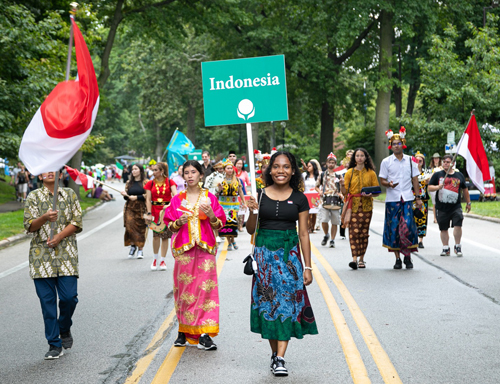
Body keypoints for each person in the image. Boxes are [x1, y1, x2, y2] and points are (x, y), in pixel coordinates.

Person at [246, 151, 318, 377]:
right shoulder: (260, 195)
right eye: (276, 166)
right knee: (268, 307)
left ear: (293, 171)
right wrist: (252, 212)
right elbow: (250, 229)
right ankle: (274, 353)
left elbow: (304, 233)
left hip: (289, 259)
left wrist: (307, 266)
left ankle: (280, 357)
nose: (281, 171)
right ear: (270, 170)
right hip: (264, 259)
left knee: (286, 305)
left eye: (286, 167)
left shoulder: (300, 198)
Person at [164, 160, 226, 350]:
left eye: (193, 172)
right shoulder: (177, 199)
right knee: (185, 292)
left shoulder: (209, 198)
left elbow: (220, 224)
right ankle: (183, 330)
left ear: (201, 174)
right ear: (183, 176)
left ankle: (205, 333)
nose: (190, 175)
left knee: (206, 291)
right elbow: (169, 224)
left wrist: (212, 216)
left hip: (205, 249)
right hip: (184, 250)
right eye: (186, 172)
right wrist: (178, 222)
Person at [23, 169, 82, 359]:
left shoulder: (70, 194)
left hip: (66, 255)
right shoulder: (33, 196)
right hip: (41, 257)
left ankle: (64, 328)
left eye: (53, 170)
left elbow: (77, 222)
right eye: (45, 171)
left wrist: (58, 237)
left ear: (60, 175)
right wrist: (44, 218)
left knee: (69, 297)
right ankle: (54, 344)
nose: (49, 173)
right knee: (47, 304)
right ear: (40, 176)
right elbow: (29, 226)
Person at [379, 127, 422, 269]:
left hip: (408, 198)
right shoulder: (386, 162)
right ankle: (398, 258)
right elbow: (382, 180)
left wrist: (418, 198)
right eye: (394, 143)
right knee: (394, 229)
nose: (396, 145)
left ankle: (408, 256)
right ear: (391, 146)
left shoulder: (411, 160)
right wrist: (389, 184)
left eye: (399, 143)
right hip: (392, 200)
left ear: (403, 144)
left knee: (408, 226)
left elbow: (415, 180)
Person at [339, 148, 380, 269]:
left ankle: (362, 258)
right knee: (353, 232)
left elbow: (377, 191)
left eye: (362, 155)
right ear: (354, 158)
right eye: (357, 156)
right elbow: (345, 192)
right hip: (353, 206)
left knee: (364, 233)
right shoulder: (349, 173)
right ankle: (354, 259)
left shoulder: (371, 173)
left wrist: (370, 194)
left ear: (366, 158)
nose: (360, 158)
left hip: (367, 206)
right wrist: (342, 184)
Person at [428, 155, 471, 257]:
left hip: (455, 206)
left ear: (452, 163)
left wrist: (468, 203)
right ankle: (445, 248)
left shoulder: (459, 175)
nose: (445, 163)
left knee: (458, 224)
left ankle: (457, 246)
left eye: (447, 162)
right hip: (442, 207)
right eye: (444, 162)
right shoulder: (437, 175)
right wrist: (438, 187)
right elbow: (429, 187)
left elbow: (465, 190)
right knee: (443, 228)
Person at [145, 162, 177, 271]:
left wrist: (169, 205)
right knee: (155, 236)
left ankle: (163, 260)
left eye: (155, 170)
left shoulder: (170, 182)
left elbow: (175, 196)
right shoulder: (150, 183)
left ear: (162, 171)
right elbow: (148, 200)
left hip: (166, 212)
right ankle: (155, 258)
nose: (153, 172)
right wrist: (149, 213)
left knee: (165, 236)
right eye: (153, 170)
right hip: (154, 212)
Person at [217, 160, 246, 250]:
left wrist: (244, 202)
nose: (230, 170)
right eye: (228, 168)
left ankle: (232, 240)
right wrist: (219, 189)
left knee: (233, 223)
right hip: (223, 204)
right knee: (226, 224)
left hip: (233, 204)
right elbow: (216, 193)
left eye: (231, 168)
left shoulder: (237, 180)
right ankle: (230, 242)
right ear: (225, 170)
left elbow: (240, 191)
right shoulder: (221, 180)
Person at [121, 164, 148, 259]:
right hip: (130, 208)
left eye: (136, 169)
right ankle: (132, 246)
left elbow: (148, 196)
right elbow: (126, 197)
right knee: (130, 226)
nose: (133, 171)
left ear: (140, 170)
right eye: (132, 169)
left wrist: (137, 197)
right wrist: (125, 194)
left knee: (141, 229)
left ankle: (140, 249)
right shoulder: (129, 182)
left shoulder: (146, 182)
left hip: (142, 208)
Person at [315, 153, 342, 248]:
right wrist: (320, 192)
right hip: (325, 200)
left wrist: (341, 193)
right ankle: (326, 234)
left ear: (335, 163)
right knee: (324, 220)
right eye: (329, 162)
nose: (331, 164)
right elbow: (316, 186)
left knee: (335, 221)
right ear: (326, 163)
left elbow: (343, 188)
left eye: (333, 162)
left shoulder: (339, 175)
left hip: (335, 199)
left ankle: (332, 240)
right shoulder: (322, 174)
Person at [413, 152, 431, 248]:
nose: (418, 162)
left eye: (420, 160)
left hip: (423, 199)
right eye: (417, 160)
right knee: (413, 218)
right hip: (412, 199)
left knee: (422, 219)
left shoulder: (426, 173)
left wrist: (429, 181)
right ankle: (413, 239)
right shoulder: (411, 172)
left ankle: (420, 240)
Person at [301, 159, 321, 232]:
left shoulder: (318, 175)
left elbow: (320, 185)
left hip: (315, 196)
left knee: (314, 213)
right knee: (308, 213)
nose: (308, 167)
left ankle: (312, 227)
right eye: (307, 166)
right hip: (306, 195)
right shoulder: (304, 175)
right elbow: (302, 185)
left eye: (310, 166)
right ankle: (308, 227)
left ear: (314, 167)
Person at [234, 158, 250, 231]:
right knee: (234, 211)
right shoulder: (231, 173)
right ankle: (235, 225)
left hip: (242, 193)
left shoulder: (244, 173)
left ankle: (240, 225)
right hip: (233, 196)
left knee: (241, 211)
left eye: (241, 164)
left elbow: (248, 183)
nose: (239, 165)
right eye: (238, 163)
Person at [429, 153, 442, 223]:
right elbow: (429, 178)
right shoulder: (430, 168)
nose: (436, 160)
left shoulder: (442, 167)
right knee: (434, 202)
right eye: (435, 158)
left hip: (440, 186)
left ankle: (441, 216)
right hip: (433, 186)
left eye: (437, 158)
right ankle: (435, 217)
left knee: (441, 201)